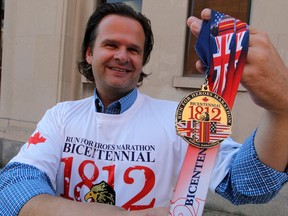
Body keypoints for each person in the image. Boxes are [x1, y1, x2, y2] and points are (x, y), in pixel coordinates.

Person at [0, 2, 287, 216]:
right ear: (89, 52)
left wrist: (281, 111)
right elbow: (12, 191)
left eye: (134, 49)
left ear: (142, 61)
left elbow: (248, 184)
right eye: (111, 44)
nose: (122, 56)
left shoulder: (179, 118)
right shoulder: (61, 116)